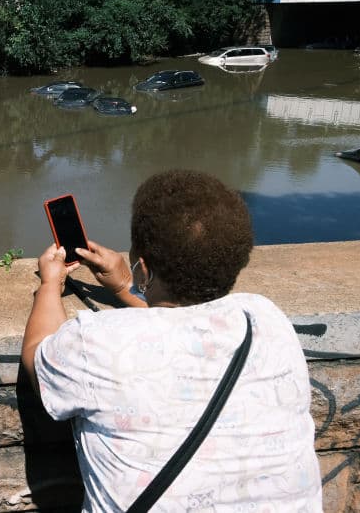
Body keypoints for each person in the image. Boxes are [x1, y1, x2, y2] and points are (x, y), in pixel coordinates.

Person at [21, 170, 321, 512]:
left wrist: (49, 285)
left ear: (144, 269)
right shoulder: (265, 318)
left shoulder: (97, 342)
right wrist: (123, 286)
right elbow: (186, 316)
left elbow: (37, 355)